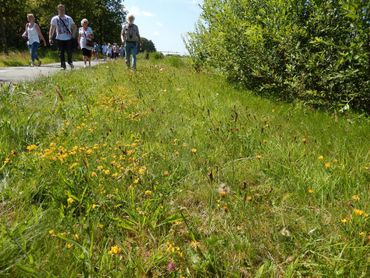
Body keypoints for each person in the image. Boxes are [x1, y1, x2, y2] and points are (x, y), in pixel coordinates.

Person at [49, 4, 77, 70]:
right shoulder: (54, 18)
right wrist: (50, 38)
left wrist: (73, 34)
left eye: (63, 9)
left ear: (64, 10)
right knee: (61, 53)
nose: (62, 11)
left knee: (69, 51)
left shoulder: (69, 18)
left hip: (68, 38)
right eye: (60, 9)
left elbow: (74, 27)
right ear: (58, 10)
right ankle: (63, 65)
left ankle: (70, 62)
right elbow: (52, 29)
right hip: (59, 38)